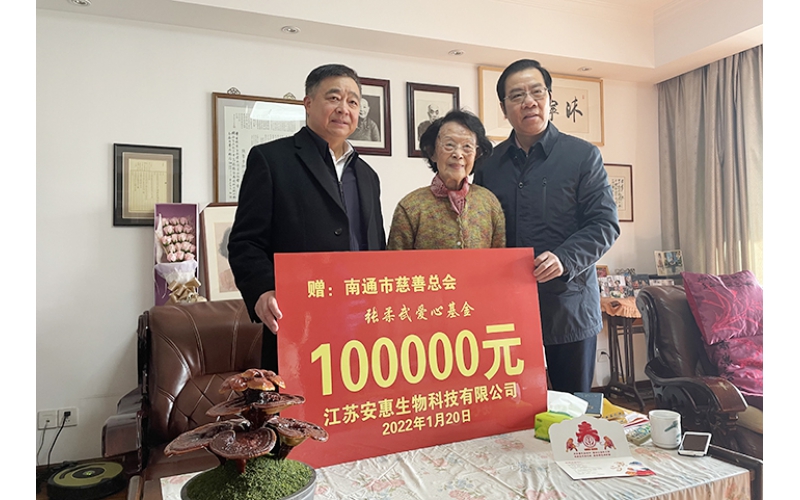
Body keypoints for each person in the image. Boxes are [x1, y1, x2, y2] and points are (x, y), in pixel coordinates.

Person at [228, 63, 387, 371]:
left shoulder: (368, 176)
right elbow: (245, 242)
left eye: (353, 102)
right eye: (334, 98)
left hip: (361, 325)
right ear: (308, 103)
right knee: (297, 403)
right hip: (298, 324)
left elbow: (375, 248)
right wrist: (262, 290)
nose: (344, 109)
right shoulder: (272, 160)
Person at [474, 59, 620, 394]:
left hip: (569, 305)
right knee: (511, 403)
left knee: (574, 408)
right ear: (504, 108)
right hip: (506, 308)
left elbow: (604, 223)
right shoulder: (488, 166)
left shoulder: (582, 156)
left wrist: (564, 258)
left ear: (549, 98)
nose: (528, 101)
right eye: (517, 95)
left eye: (536, 92)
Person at [387, 109, 505, 250]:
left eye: (467, 146)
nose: (458, 154)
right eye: (449, 145)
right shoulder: (410, 207)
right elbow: (394, 262)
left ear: (476, 154)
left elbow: (500, 259)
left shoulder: (489, 203)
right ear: (432, 152)